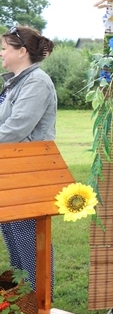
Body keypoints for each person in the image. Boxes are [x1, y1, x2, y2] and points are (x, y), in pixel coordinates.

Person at [0, 25, 57, 292]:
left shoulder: (36, 83)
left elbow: (15, 129)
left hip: (29, 175)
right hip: (12, 173)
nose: (1, 53)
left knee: (28, 240)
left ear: (22, 51)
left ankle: (39, 300)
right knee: (14, 239)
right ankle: (24, 301)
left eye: (4, 48)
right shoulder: (16, 82)